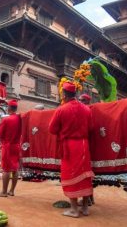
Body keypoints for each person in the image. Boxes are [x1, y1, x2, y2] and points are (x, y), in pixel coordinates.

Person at [49, 81, 94, 218]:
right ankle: (85, 208)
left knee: (70, 175)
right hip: (84, 145)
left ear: (64, 94)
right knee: (85, 175)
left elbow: (52, 129)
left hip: (69, 146)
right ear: (75, 94)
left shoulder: (61, 109)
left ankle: (74, 210)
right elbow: (91, 128)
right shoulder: (87, 109)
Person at [0, 100, 22, 198]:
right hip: (17, 146)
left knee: (6, 169)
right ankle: (11, 191)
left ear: (9, 108)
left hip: (7, 146)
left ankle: (4, 192)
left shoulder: (6, 120)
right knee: (15, 169)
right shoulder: (20, 119)